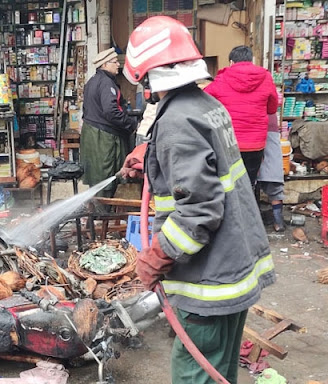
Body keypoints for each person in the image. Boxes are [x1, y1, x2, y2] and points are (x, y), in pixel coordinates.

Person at [121, 16, 276, 383]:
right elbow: (210, 169)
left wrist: (159, 254)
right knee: (219, 365)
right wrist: (154, 154)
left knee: (196, 372)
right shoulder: (205, 105)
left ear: (147, 77)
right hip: (234, 265)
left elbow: (200, 210)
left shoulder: (176, 121)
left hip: (209, 280)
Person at [204, 46, 278, 187]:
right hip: (256, 143)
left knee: (229, 183)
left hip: (229, 142)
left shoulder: (221, 79)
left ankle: (233, 208)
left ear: (231, 62)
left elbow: (203, 103)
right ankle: (250, 207)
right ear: (251, 60)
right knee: (249, 182)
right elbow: (272, 108)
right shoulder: (266, 77)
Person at [80, 47, 137, 198]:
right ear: (104, 65)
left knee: (97, 175)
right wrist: (131, 124)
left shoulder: (92, 81)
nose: (118, 65)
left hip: (93, 132)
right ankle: (105, 213)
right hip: (104, 137)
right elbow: (111, 111)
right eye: (114, 62)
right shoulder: (106, 83)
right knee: (106, 173)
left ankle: (98, 214)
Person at [258, 113, 286, 232]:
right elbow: (273, 104)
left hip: (245, 130)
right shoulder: (268, 94)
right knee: (274, 182)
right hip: (268, 127)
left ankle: (253, 223)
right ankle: (278, 222)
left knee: (248, 185)